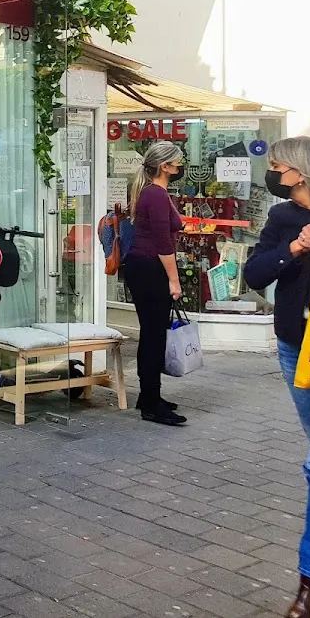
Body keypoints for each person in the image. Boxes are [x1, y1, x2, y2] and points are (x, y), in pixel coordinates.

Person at [243, 136, 310, 618]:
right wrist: (296, 246)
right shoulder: (282, 217)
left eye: (278, 164)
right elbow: (255, 275)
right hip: (294, 349)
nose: (272, 172)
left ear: (302, 169)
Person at [121, 141, 187, 426]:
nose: (180, 166)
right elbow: (162, 243)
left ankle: (148, 395)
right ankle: (151, 401)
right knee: (154, 335)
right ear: (165, 166)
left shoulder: (149, 191)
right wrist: (174, 280)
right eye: (178, 162)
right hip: (151, 267)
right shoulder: (156, 194)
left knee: (151, 332)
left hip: (143, 266)